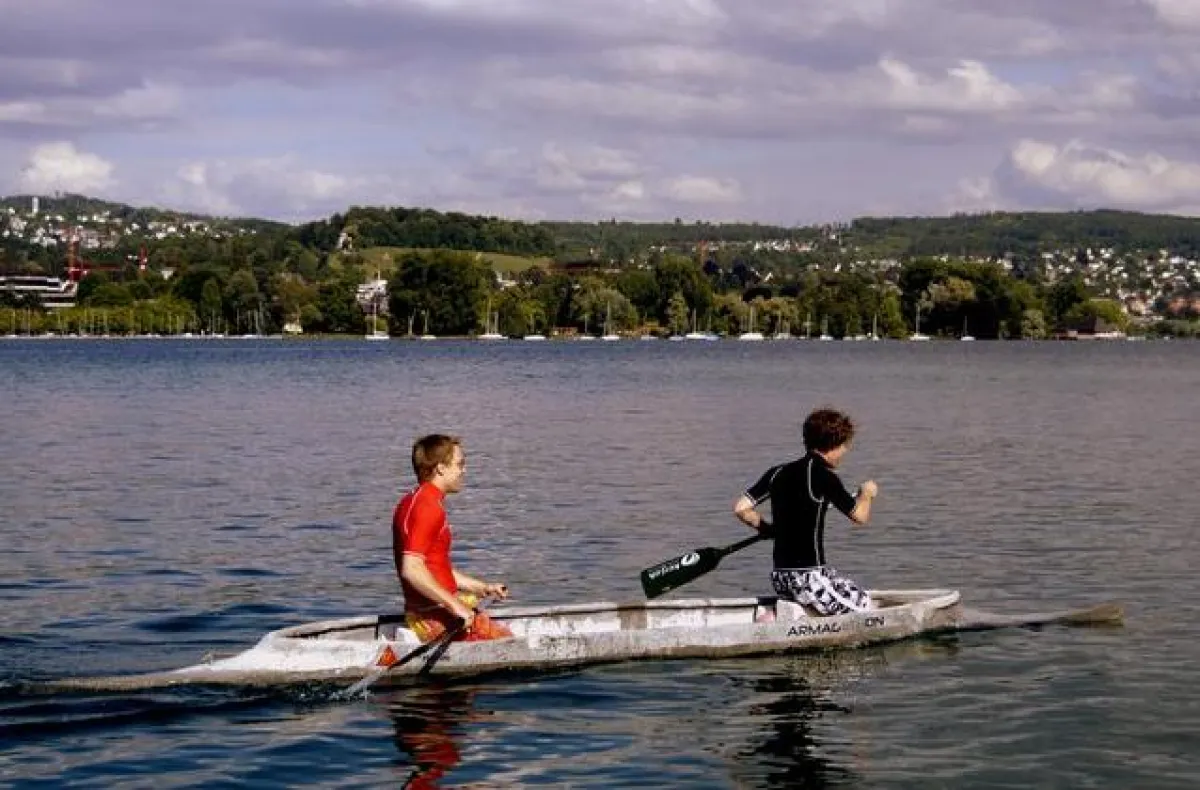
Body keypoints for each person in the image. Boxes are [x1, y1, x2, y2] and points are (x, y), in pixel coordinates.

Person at [731, 408, 879, 616]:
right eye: (845, 446)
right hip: (809, 579)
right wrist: (866, 494)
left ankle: (792, 614)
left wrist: (766, 529)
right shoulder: (824, 477)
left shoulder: (777, 473)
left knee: (857, 594)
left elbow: (741, 508)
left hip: (781, 579)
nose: (845, 452)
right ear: (834, 445)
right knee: (867, 611)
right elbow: (860, 516)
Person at [393, 433, 512, 642]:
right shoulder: (429, 508)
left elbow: (433, 568)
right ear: (440, 468)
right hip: (436, 618)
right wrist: (456, 606)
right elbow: (411, 569)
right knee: (510, 643)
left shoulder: (412, 501)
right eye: (459, 464)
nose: (463, 471)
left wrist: (481, 588)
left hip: (430, 612)